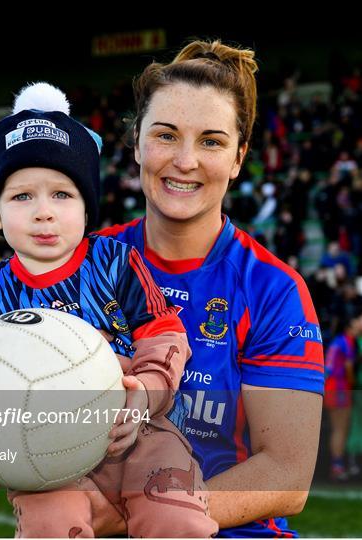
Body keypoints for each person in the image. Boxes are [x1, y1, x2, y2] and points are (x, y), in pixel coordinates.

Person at [0, 83, 217, 538]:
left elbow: (165, 336)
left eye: (62, 195)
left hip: (139, 438)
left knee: (175, 518)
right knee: (51, 524)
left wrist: (146, 391)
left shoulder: (116, 262)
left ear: (86, 206)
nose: (44, 212)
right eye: (22, 196)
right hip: (44, 458)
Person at [96, 39, 325, 537]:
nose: (185, 160)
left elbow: (287, 475)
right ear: (137, 142)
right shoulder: (87, 264)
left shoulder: (273, 289)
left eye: (211, 141)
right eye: (166, 135)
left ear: (239, 158)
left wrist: (146, 514)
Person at [324, 312, 362, 480]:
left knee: (338, 429)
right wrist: (353, 384)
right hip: (339, 389)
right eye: (359, 320)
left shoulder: (340, 341)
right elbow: (347, 369)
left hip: (332, 388)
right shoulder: (346, 342)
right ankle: (337, 467)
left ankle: (337, 466)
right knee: (340, 429)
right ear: (350, 325)